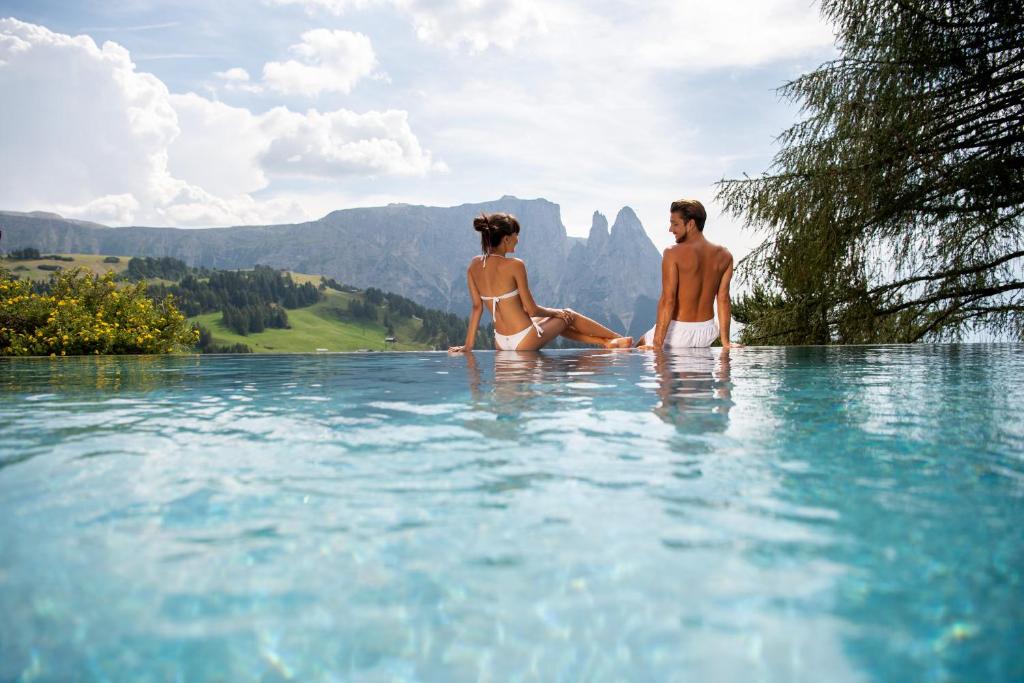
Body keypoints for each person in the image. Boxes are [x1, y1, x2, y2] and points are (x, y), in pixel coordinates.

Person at [448, 213, 632, 352]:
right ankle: (619, 339)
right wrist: (559, 312)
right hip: (525, 339)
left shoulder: (473, 265)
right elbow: (532, 309)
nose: (517, 240)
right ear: (506, 238)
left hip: (501, 342)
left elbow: (476, 308)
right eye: (516, 235)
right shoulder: (515, 265)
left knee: (555, 319)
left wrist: (467, 347)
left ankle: (606, 342)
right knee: (568, 315)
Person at [639, 199, 737, 350]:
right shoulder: (725, 255)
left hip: (677, 333)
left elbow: (668, 300)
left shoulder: (672, 253)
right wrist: (726, 343)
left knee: (635, 347)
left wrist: (657, 343)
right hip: (707, 333)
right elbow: (723, 299)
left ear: (690, 224)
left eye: (675, 224)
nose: (670, 229)